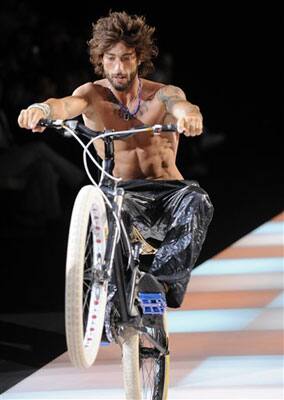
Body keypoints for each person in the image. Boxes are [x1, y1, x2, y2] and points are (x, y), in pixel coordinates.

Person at [17, 11, 213, 307]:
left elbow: (183, 106)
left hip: (166, 195)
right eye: (110, 58)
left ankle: (160, 283)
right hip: (123, 196)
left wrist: (191, 118)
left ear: (139, 58)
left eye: (126, 58)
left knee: (198, 199)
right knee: (106, 215)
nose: (118, 67)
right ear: (100, 58)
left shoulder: (162, 95)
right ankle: (109, 302)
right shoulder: (92, 95)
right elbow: (64, 105)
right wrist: (41, 110)